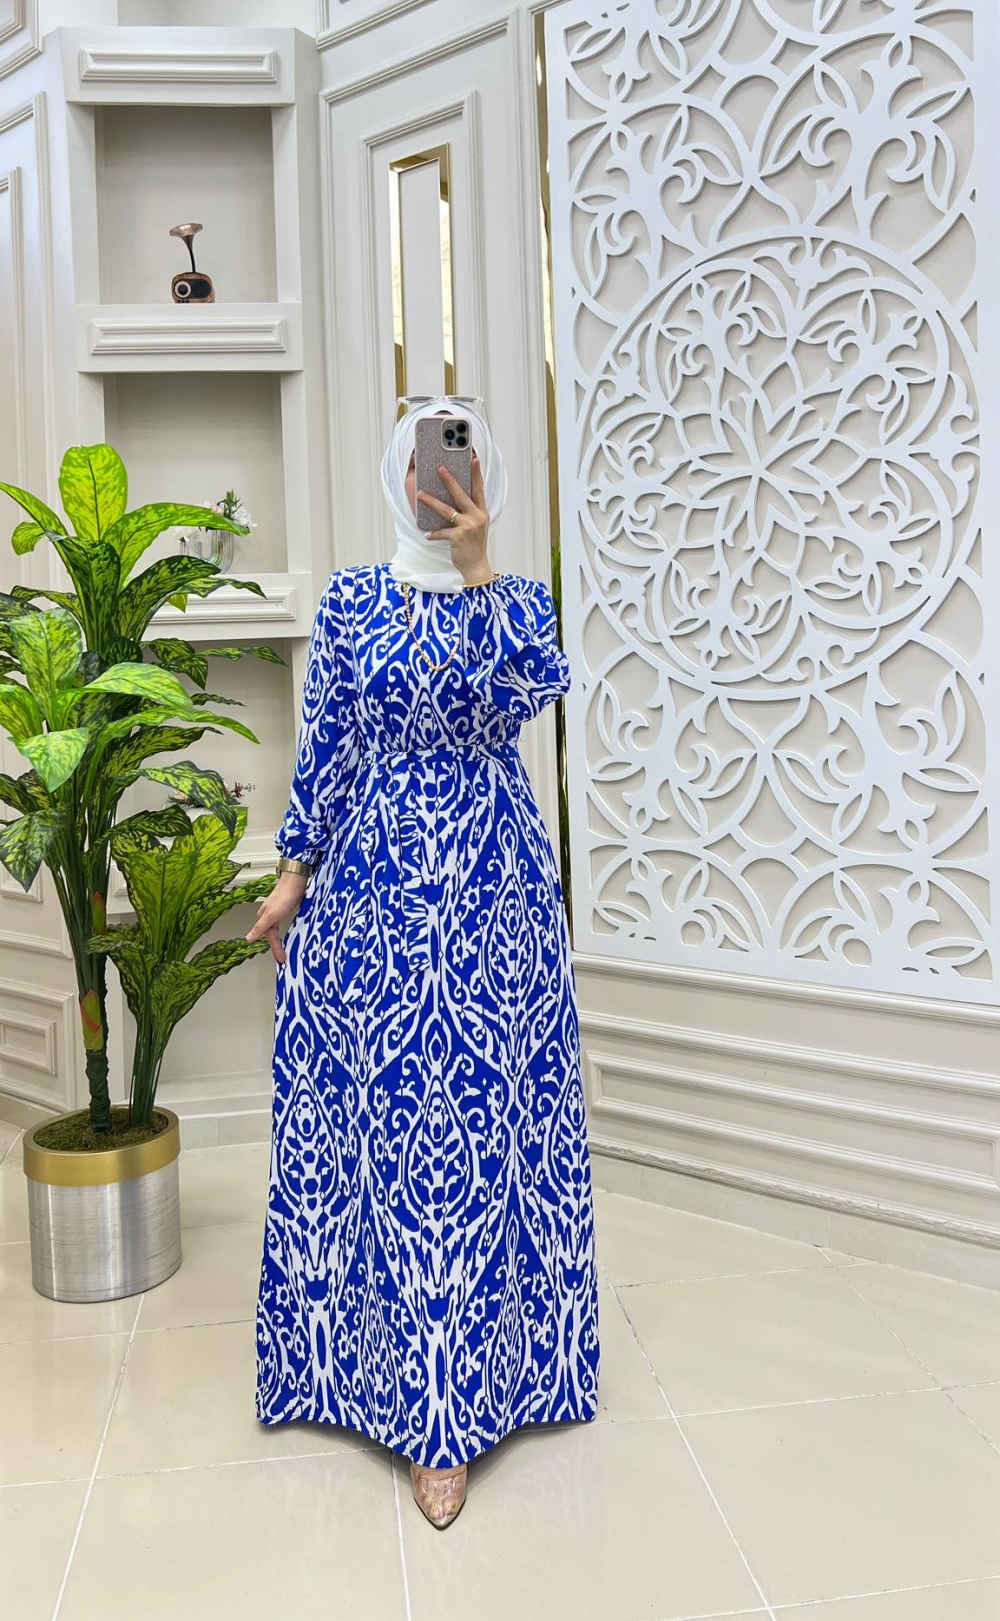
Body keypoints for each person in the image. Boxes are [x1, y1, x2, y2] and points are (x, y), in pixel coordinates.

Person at [248, 395, 601, 1529]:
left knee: (489, 1129)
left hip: (495, 895)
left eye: (454, 460)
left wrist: (481, 567)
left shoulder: (519, 599)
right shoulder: (352, 597)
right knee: (390, 1131)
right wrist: (292, 873)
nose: (434, 480)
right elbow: (328, 744)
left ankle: (483, 1393)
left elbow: (536, 690)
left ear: (479, 473)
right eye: (419, 461)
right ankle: (383, 1385)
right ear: (397, 473)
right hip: (379, 889)